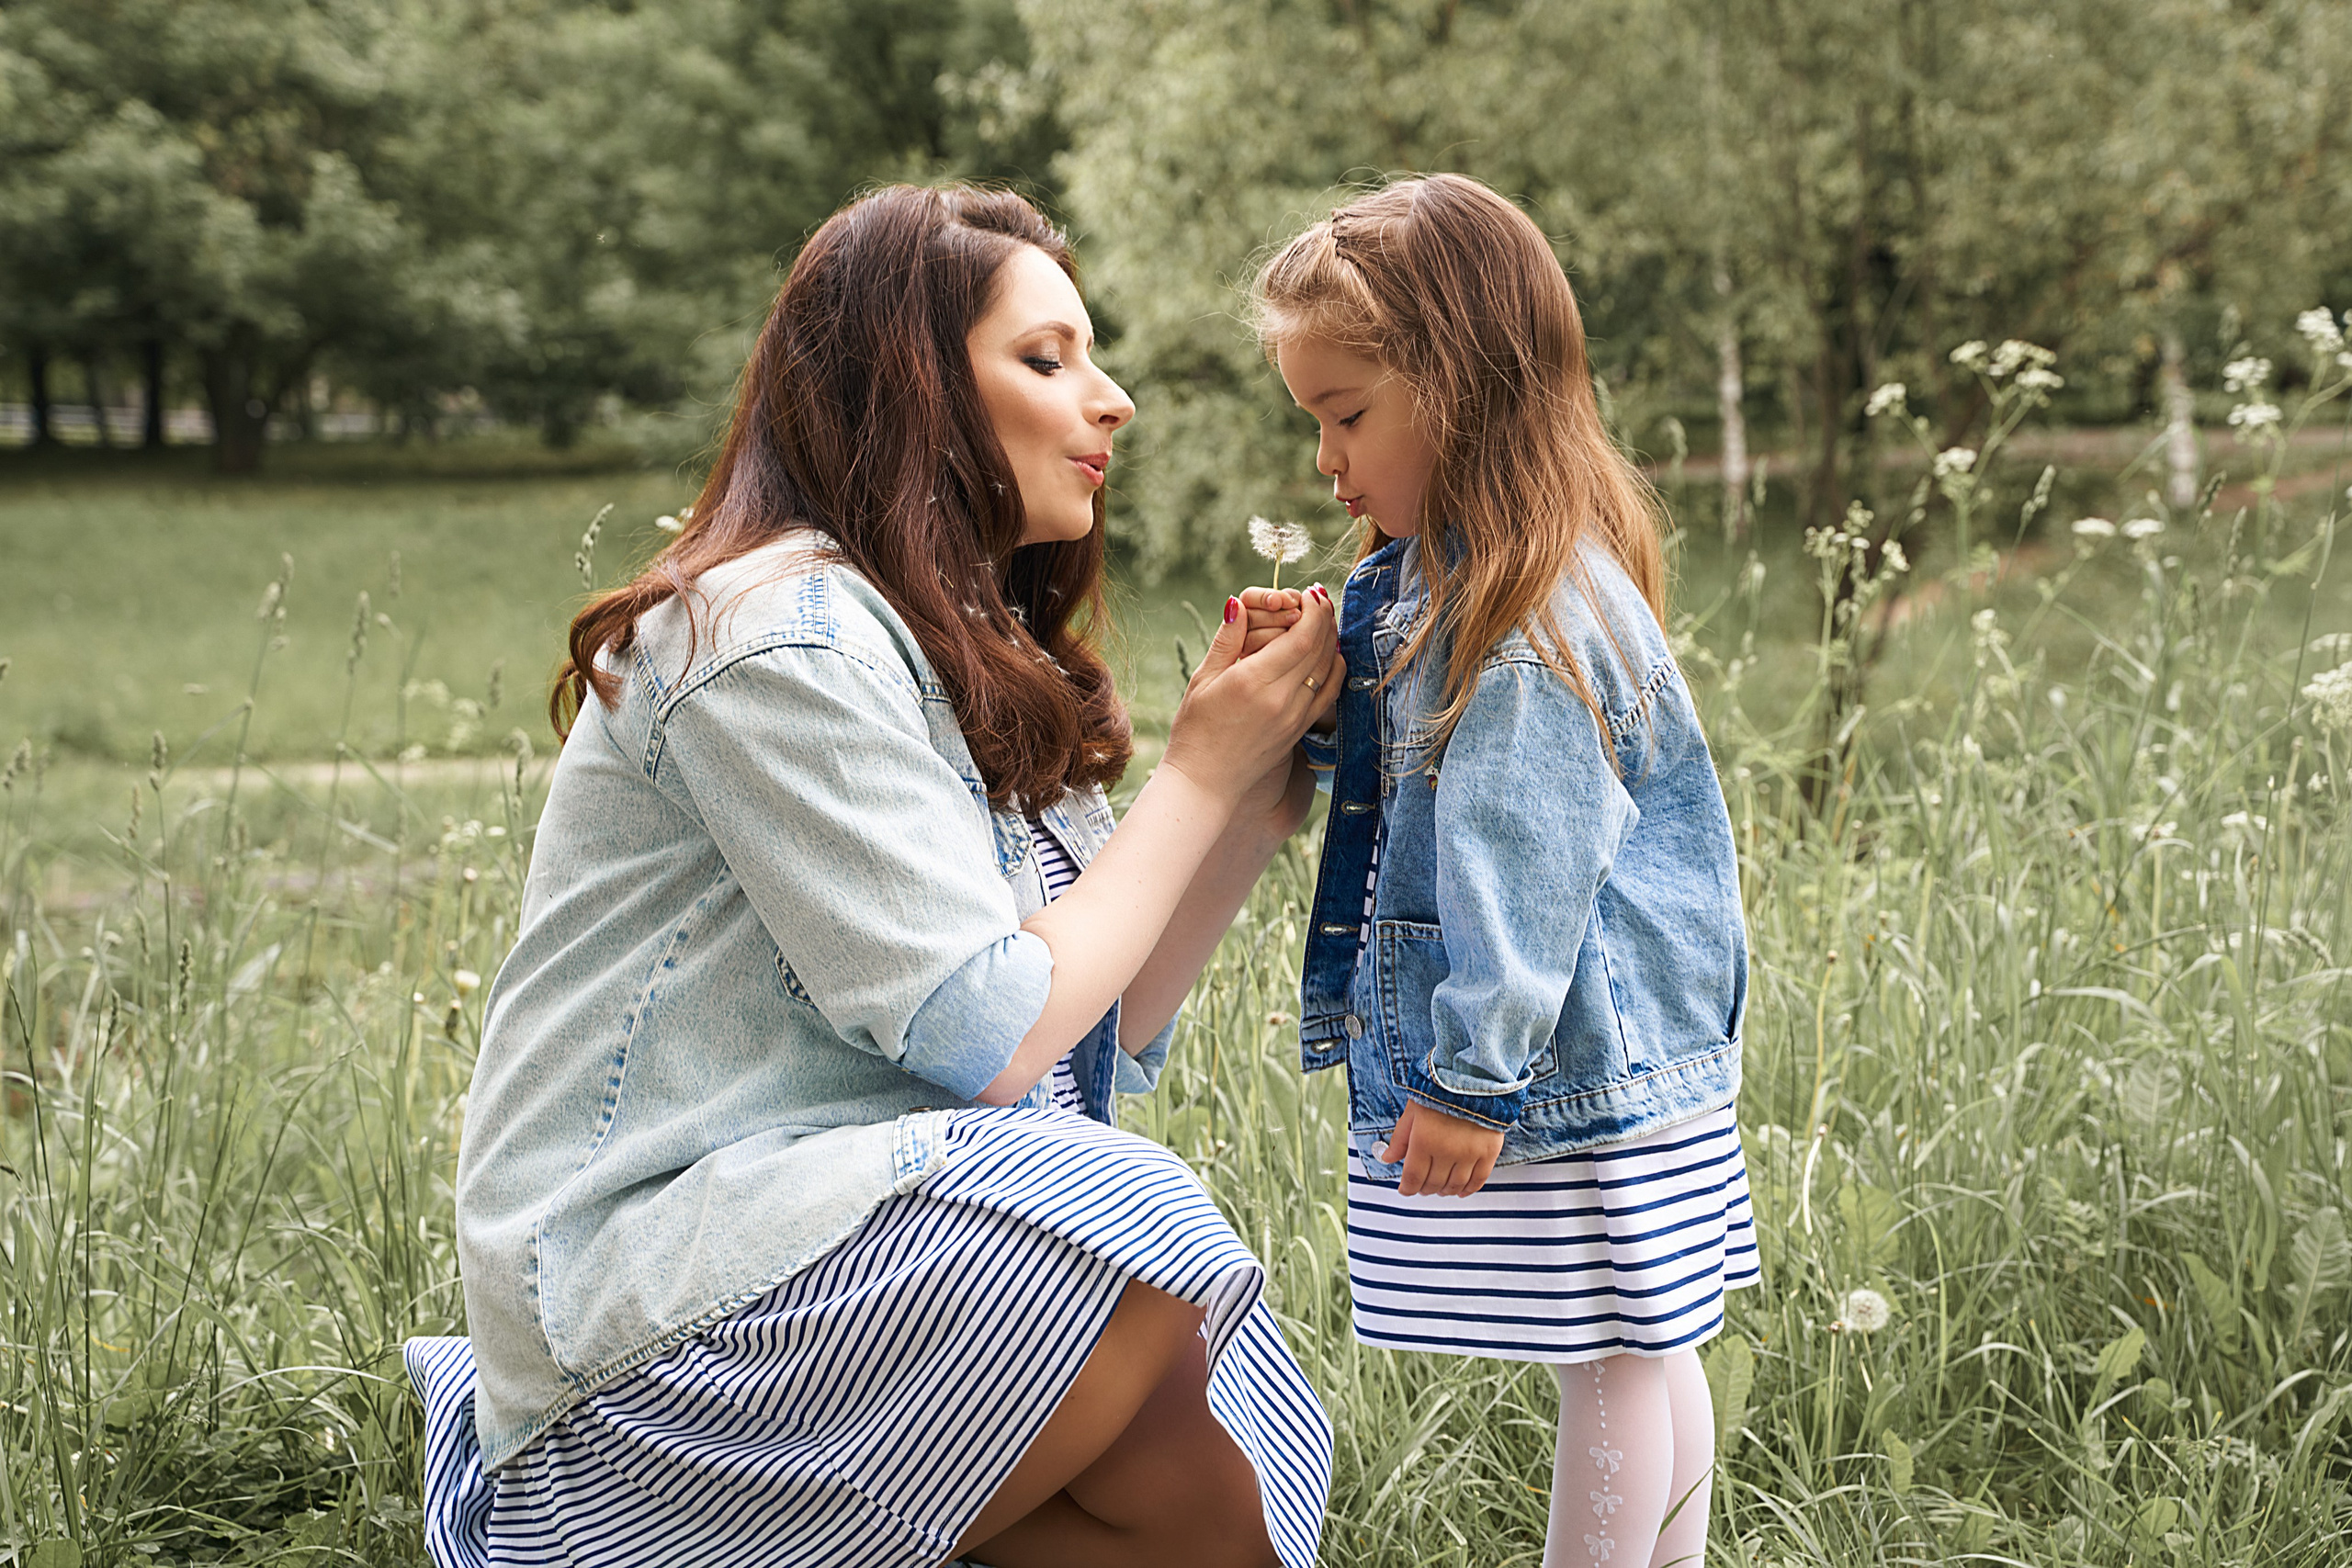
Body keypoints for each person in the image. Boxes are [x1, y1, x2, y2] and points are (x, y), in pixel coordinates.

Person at [401, 184, 1340, 1568]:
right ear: (910, 391)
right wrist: (1193, 776)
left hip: (838, 1274)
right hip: (650, 1339)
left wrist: (1247, 803)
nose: (1114, 399)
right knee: (1132, 1251)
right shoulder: (773, 633)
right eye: (1046, 357)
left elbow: (1102, 1029)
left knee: (1195, 1484)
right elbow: (995, 1038)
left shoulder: (941, 637)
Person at [1245, 174, 1759, 1568]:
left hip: (1558, 1055)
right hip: (1615, 1050)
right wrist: (1313, 687)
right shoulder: (1457, 584)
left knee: (1609, 1355)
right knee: (1646, 1341)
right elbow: (1413, 800)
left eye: (1346, 416)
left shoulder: (1520, 621)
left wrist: (1469, 1079)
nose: (1327, 461)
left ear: (1461, 392)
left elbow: (1522, 873)